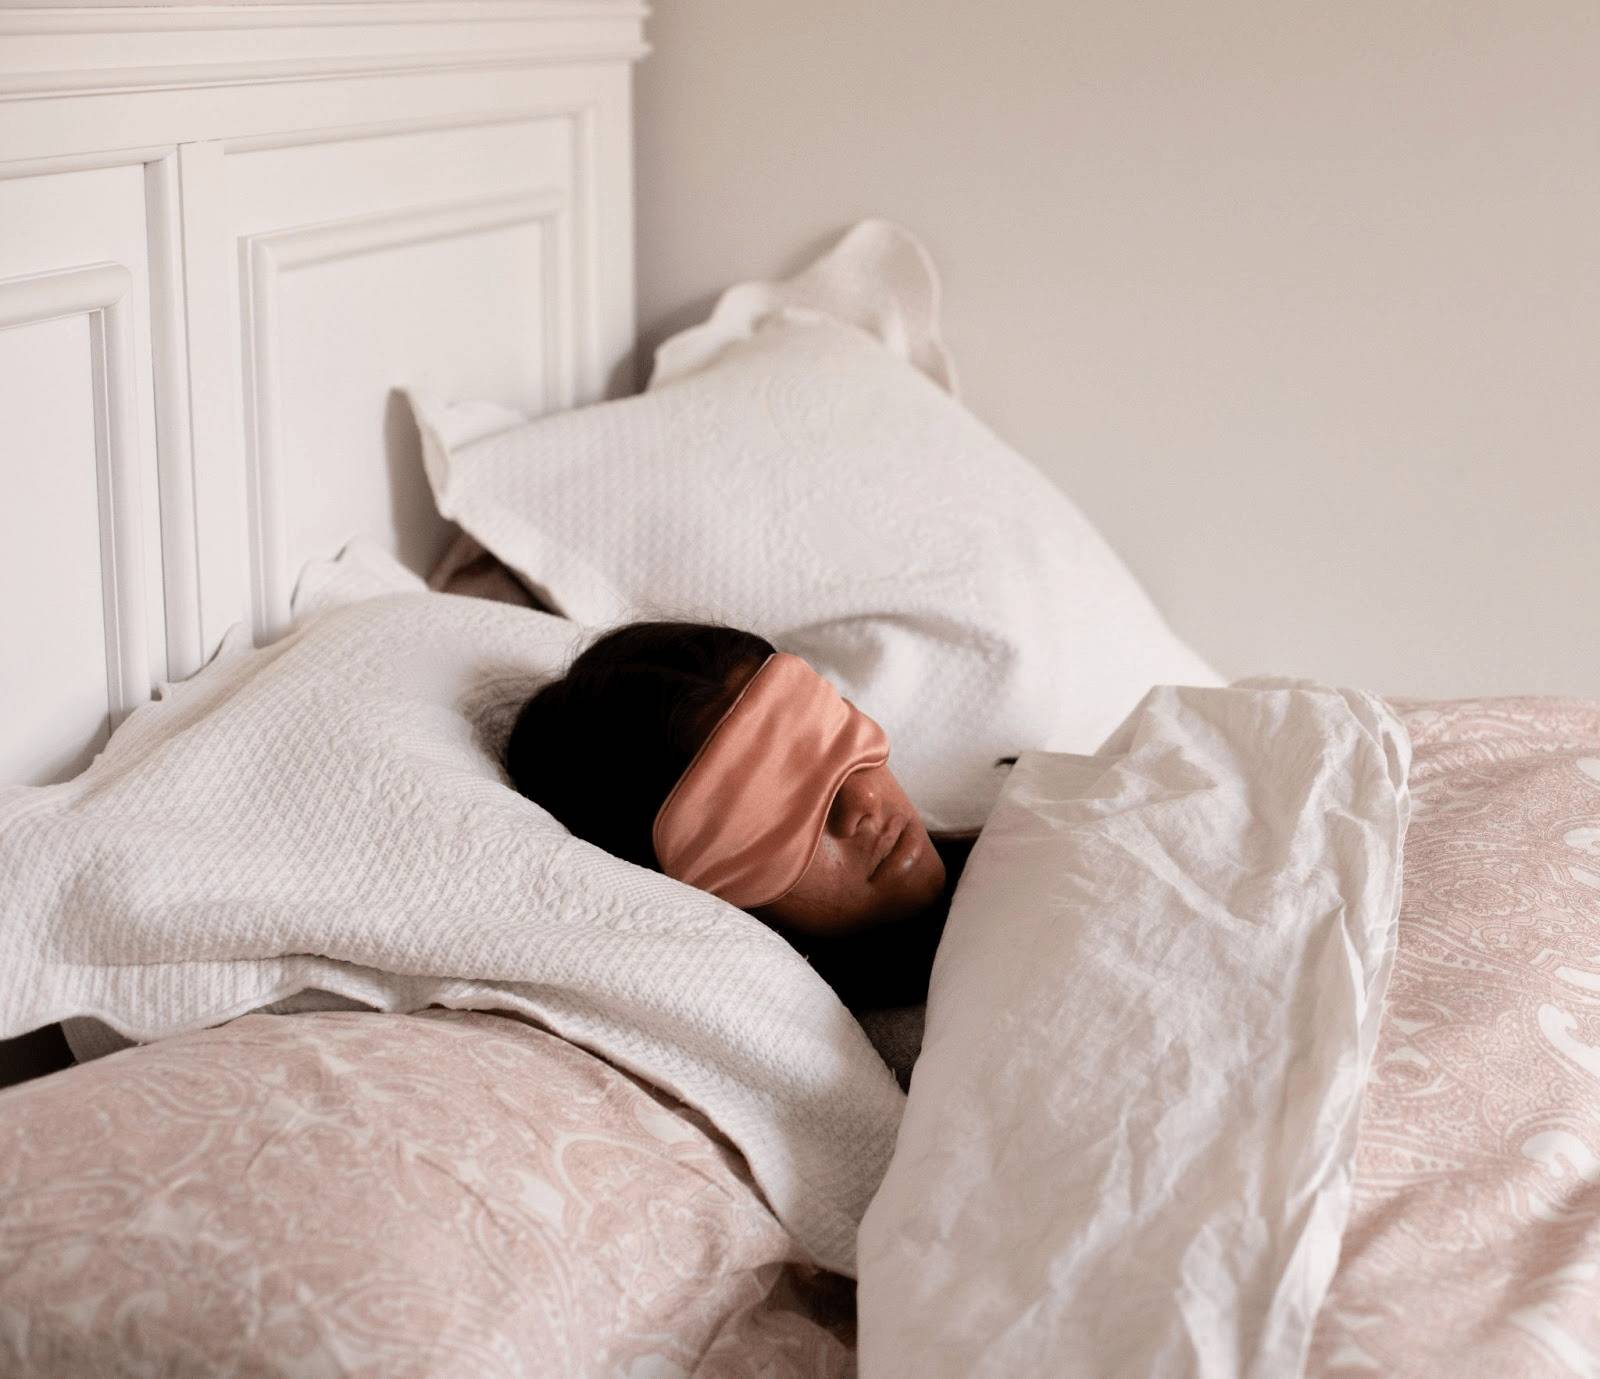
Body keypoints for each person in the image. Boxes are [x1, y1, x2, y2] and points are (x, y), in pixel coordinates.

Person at [504, 620, 1008, 1016]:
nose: (860, 805)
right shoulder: (928, 1055)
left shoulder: (1040, 812)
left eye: (832, 735)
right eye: (772, 810)